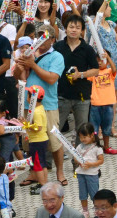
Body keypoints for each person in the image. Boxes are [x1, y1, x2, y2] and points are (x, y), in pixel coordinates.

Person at [14, 25, 65, 186]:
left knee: (54, 140)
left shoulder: (57, 56)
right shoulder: (29, 52)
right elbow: (17, 76)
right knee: (30, 141)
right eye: (40, 36)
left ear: (53, 39)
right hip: (27, 103)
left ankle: (60, 172)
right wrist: (21, 65)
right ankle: (34, 173)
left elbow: (51, 79)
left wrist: (33, 64)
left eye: (46, 36)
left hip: (47, 104)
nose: (42, 39)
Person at [54, 15, 100, 148]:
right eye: (71, 27)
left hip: (82, 97)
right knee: (55, 129)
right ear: (66, 29)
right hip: (62, 95)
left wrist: (81, 75)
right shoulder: (58, 47)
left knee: (82, 131)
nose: (74, 30)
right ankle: (49, 162)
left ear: (82, 31)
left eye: (77, 27)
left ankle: (80, 161)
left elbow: (96, 70)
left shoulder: (87, 49)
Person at [89, 52, 117, 154]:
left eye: (102, 61)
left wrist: (108, 57)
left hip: (109, 104)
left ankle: (106, 147)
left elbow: (114, 69)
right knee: (94, 128)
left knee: (107, 128)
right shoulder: (93, 73)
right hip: (95, 105)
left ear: (107, 62)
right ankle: (94, 149)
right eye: (98, 61)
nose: (100, 63)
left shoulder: (109, 71)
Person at [24, 85, 50, 195]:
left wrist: (26, 125)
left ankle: (43, 185)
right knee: (42, 163)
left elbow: (38, 127)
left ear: (31, 97)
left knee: (38, 164)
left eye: (28, 94)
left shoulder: (36, 112)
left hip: (37, 141)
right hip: (42, 140)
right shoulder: (40, 108)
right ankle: (44, 183)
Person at [75, 123, 104, 218]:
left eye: (84, 137)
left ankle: (97, 209)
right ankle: (85, 210)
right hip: (81, 174)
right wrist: (78, 162)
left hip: (92, 174)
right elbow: (75, 157)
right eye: (80, 137)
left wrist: (91, 164)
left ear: (92, 135)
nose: (82, 139)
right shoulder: (79, 147)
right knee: (82, 194)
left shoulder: (97, 148)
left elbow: (101, 160)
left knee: (94, 194)